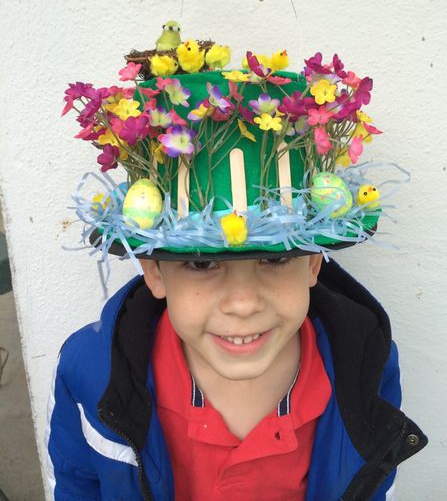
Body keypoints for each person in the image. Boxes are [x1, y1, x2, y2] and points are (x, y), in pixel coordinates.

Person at [48, 37, 427, 500]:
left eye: (275, 258)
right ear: (153, 273)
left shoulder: (365, 364)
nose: (243, 303)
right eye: (203, 262)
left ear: (313, 263)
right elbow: (77, 483)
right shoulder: (91, 373)